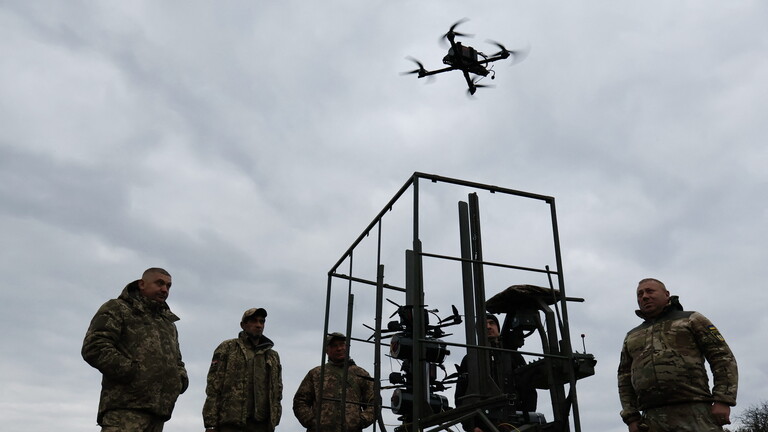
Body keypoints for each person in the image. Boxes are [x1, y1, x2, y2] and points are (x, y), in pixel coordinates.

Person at [617, 278, 738, 432]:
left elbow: (722, 357)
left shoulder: (691, 319)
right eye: (640, 294)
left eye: (650, 291)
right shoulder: (632, 336)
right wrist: (631, 418)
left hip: (696, 412)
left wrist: (723, 400)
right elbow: (624, 379)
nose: (644, 296)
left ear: (667, 294)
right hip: (652, 419)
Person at [82, 267, 188, 432]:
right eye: (159, 283)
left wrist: (179, 379)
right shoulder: (118, 308)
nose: (164, 290)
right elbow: (95, 346)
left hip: (159, 413)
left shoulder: (167, 323)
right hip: (124, 410)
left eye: (168, 286)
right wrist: (132, 372)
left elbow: (177, 360)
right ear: (142, 284)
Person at [203, 307, 283, 432]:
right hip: (231, 423)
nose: (258, 325)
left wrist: (275, 417)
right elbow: (214, 387)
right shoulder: (227, 348)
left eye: (262, 322)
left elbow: (277, 391)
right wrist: (210, 424)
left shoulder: (272, 356)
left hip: (262, 424)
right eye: (254, 321)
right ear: (243, 325)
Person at [455, 314, 537, 431]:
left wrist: (526, 421)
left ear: (498, 328)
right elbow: (461, 396)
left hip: (513, 423)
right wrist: (471, 427)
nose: (488, 327)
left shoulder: (514, 357)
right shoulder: (470, 359)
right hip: (482, 424)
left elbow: (529, 392)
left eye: (491, 323)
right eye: (484, 325)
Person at [293, 332, 376, 432]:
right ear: (327, 350)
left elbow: (374, 402)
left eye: (342, 344)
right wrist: (312, 422)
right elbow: (300, 401)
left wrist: (360, 421)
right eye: (334, 346)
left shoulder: (361, 374)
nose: (339, 348)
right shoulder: (316, 373)